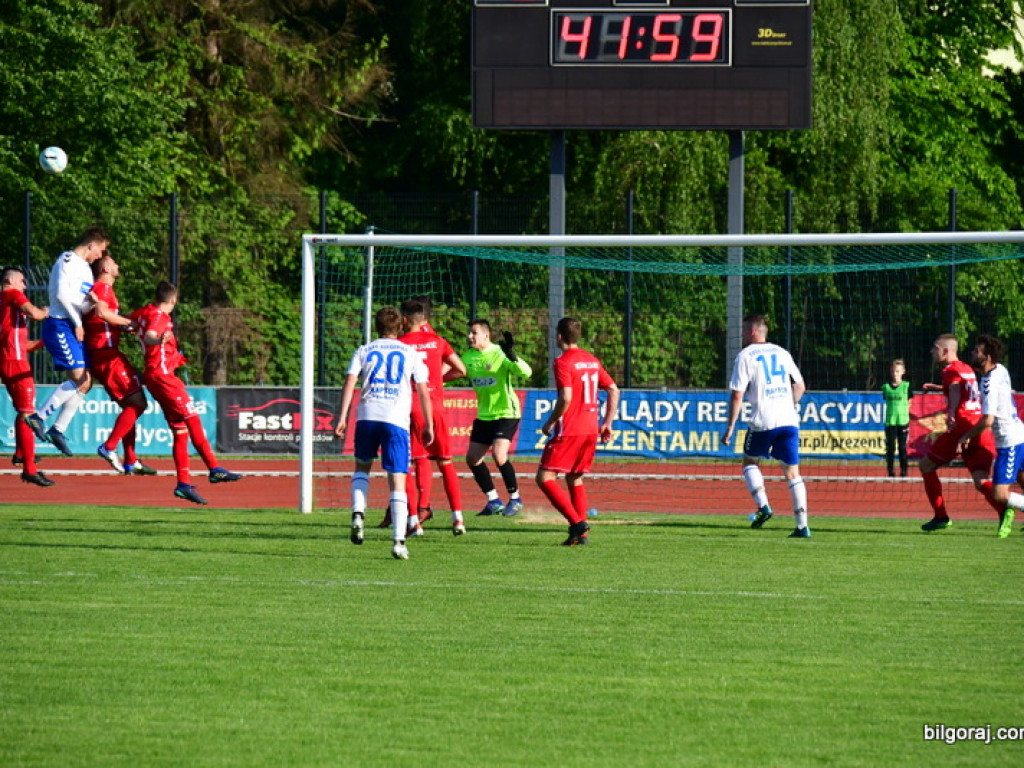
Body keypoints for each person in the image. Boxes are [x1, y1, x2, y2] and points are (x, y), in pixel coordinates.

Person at [335, 306, 433, 560]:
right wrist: (428, 424)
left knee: (362, 468)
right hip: (395, 420)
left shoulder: (364, 350)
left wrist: (342, 416)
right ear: (401, 325)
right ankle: (398, 542)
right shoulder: (410, 352)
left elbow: (350, 382)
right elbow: (423, 391)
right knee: (397, 479)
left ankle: (358, 514)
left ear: (376, 326)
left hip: (367, 416)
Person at [132, 281, 242, 505]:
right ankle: (214, 468)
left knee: (180, 431)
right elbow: (151, 334)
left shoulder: (144, 311)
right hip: (163, 376)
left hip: (155, 377)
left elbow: (129, 322)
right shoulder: (160, 317)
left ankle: (183, 483)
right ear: (172, 300)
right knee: (193, 420)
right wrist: (156, 339)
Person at [722, 314, 810, 538]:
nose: (741, 335)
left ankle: (763, 507)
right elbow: (800, 386)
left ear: (752, 332)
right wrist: (787, 405)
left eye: (743, 330)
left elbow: (737, 396)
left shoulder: (745, 356)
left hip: (763, 421)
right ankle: (802, 526)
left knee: (750, 461)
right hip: (789, 420)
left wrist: (730, 427)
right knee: (793, 473)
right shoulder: (782, 352)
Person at [536, 317, 619, 546]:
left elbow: (566, 397)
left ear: (559, 336)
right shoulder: (591, 360)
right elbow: (613, 389)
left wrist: (550, 422)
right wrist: (608, 422)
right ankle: (580, 535)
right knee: (575, 477)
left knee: (544, 477)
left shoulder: (563, 362)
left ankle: (577, 522)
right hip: (590, 429)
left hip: (570, 428)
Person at [32, 226, 109, 456]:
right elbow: (62, 296)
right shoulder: (67, 260)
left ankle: (58, 429)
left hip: (71, 324)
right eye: (101, 250)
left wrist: (92, 303)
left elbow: (79, 303)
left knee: (85, 382)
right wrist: (77, 322)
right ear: (91, 245)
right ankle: (39, 416)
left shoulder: (85, 269)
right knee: (78, 377)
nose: (100, 256)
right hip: (59, 324)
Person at [397, 298, 468, 536]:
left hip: (411, 409)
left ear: (404, 321)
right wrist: (437, 381)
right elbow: (461, 369)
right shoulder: (438, 341)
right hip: (437, 408)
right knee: (446, 462)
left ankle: (415, 521)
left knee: (411, 463)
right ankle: (458, 518)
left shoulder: (400, 344)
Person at [917, 333, 1001, 532]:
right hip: (979, 428)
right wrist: (939, 387)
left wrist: (952, 413)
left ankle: (941, 517)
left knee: (926, 466)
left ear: (945, 351)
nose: (932, 351)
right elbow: (962, 388)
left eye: (935, 348)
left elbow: (955, 389)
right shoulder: (966, 368)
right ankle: (1005, 508)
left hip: (961, 427)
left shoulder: (949, 369)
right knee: (981, 480)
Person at [84, 252, 156, 476]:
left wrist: (125, 326)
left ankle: (131, 461)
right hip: (106, 354)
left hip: (107, 353)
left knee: (131, 404)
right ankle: (109, 447)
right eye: (113, 262)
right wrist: (129, 322)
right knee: (138, 404)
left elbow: (103, 316)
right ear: (105, 268)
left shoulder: (104, 290)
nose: (117, 265)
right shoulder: (103, 288)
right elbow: (102, 313)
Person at [461, 319, 533, 517]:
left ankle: (515, 498)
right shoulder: (468, 357)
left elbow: (526, 373)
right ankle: (493, 500)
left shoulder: (500, 353)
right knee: (473, 458)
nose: (470, 336)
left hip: (506, 412)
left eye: (473, 333)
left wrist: (512, 355)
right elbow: (455, 370)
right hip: (484, 415)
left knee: (499, 455)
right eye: (469, 333)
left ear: (486, 335)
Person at [958, 335, 1024, 537]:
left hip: (1009, 441)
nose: (972, 353)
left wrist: (965, 436)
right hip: (1019, 433)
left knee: (999, 494)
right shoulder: (1001, 369)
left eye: (976, 351)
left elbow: (987, 420)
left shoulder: (989, 383)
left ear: (986, 357)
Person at [0, 267, 53, 486]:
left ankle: (21, 454)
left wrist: (44, 342)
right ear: (11, 280)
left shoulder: (6, 303)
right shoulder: (12, 294)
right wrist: (47, 312)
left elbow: (20, 343)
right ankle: (29, 469)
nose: (24, 286)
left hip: (9, 359)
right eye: (22, 281)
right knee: (28, 414)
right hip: (15, 363)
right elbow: (35, 314)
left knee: (24, 411)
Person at [881, 358, 913, 477]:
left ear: (903, 371)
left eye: (898, 371)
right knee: (890, 448)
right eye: (894, 371)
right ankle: (890, 471)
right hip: (890, 422)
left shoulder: (906, 386)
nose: (896, 374)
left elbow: (910, 401)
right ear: (891, 372)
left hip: (903, 421)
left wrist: (905, 413)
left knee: (902, 448)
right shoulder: (885, 387)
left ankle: (904, 471)